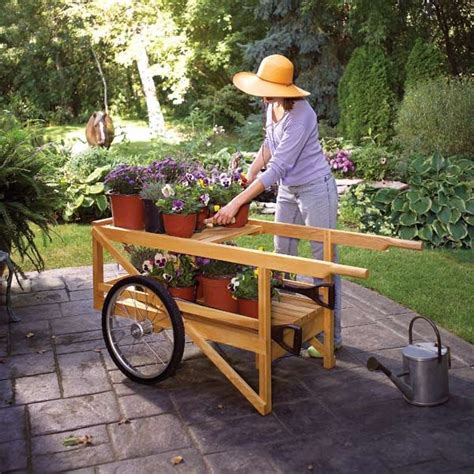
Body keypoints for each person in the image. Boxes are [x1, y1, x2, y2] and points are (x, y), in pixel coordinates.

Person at [213, 54, 342, 354]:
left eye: (266, 87)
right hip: (288, 191)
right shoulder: (271, 106)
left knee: (322, 264)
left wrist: (236, 203)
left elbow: (280, 166)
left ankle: (329, 337)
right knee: (281, 255)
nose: (262, 93)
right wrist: (249, 172)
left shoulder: (302, 115)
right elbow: (269, 146)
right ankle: (288, 327)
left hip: (315, 189)